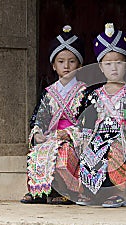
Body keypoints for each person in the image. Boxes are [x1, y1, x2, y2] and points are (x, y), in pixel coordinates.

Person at [78, 23, 126, 208]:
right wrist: (86, 143)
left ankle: (115, 194)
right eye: (108, 64)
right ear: (101, 67)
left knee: (114, 150)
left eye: (119, 63)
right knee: (91, 153)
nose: (114, 68)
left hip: (123, 136)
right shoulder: (93, 94)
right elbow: (89, 122)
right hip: (99, 135)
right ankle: (90, 193)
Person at [21, 25, 87, 204]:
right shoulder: (49, 92)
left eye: (72, 61)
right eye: (61, 61)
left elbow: (88, 120)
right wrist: (37, 133)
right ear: (53, 65)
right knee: (38, 152)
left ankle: (67, 192)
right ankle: (39, 192)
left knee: (63, 153)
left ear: (80, 65)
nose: (66, 66)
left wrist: (69, 134)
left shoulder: (85, 92)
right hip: (52, 136)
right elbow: (40, 117)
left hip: (73, 138)